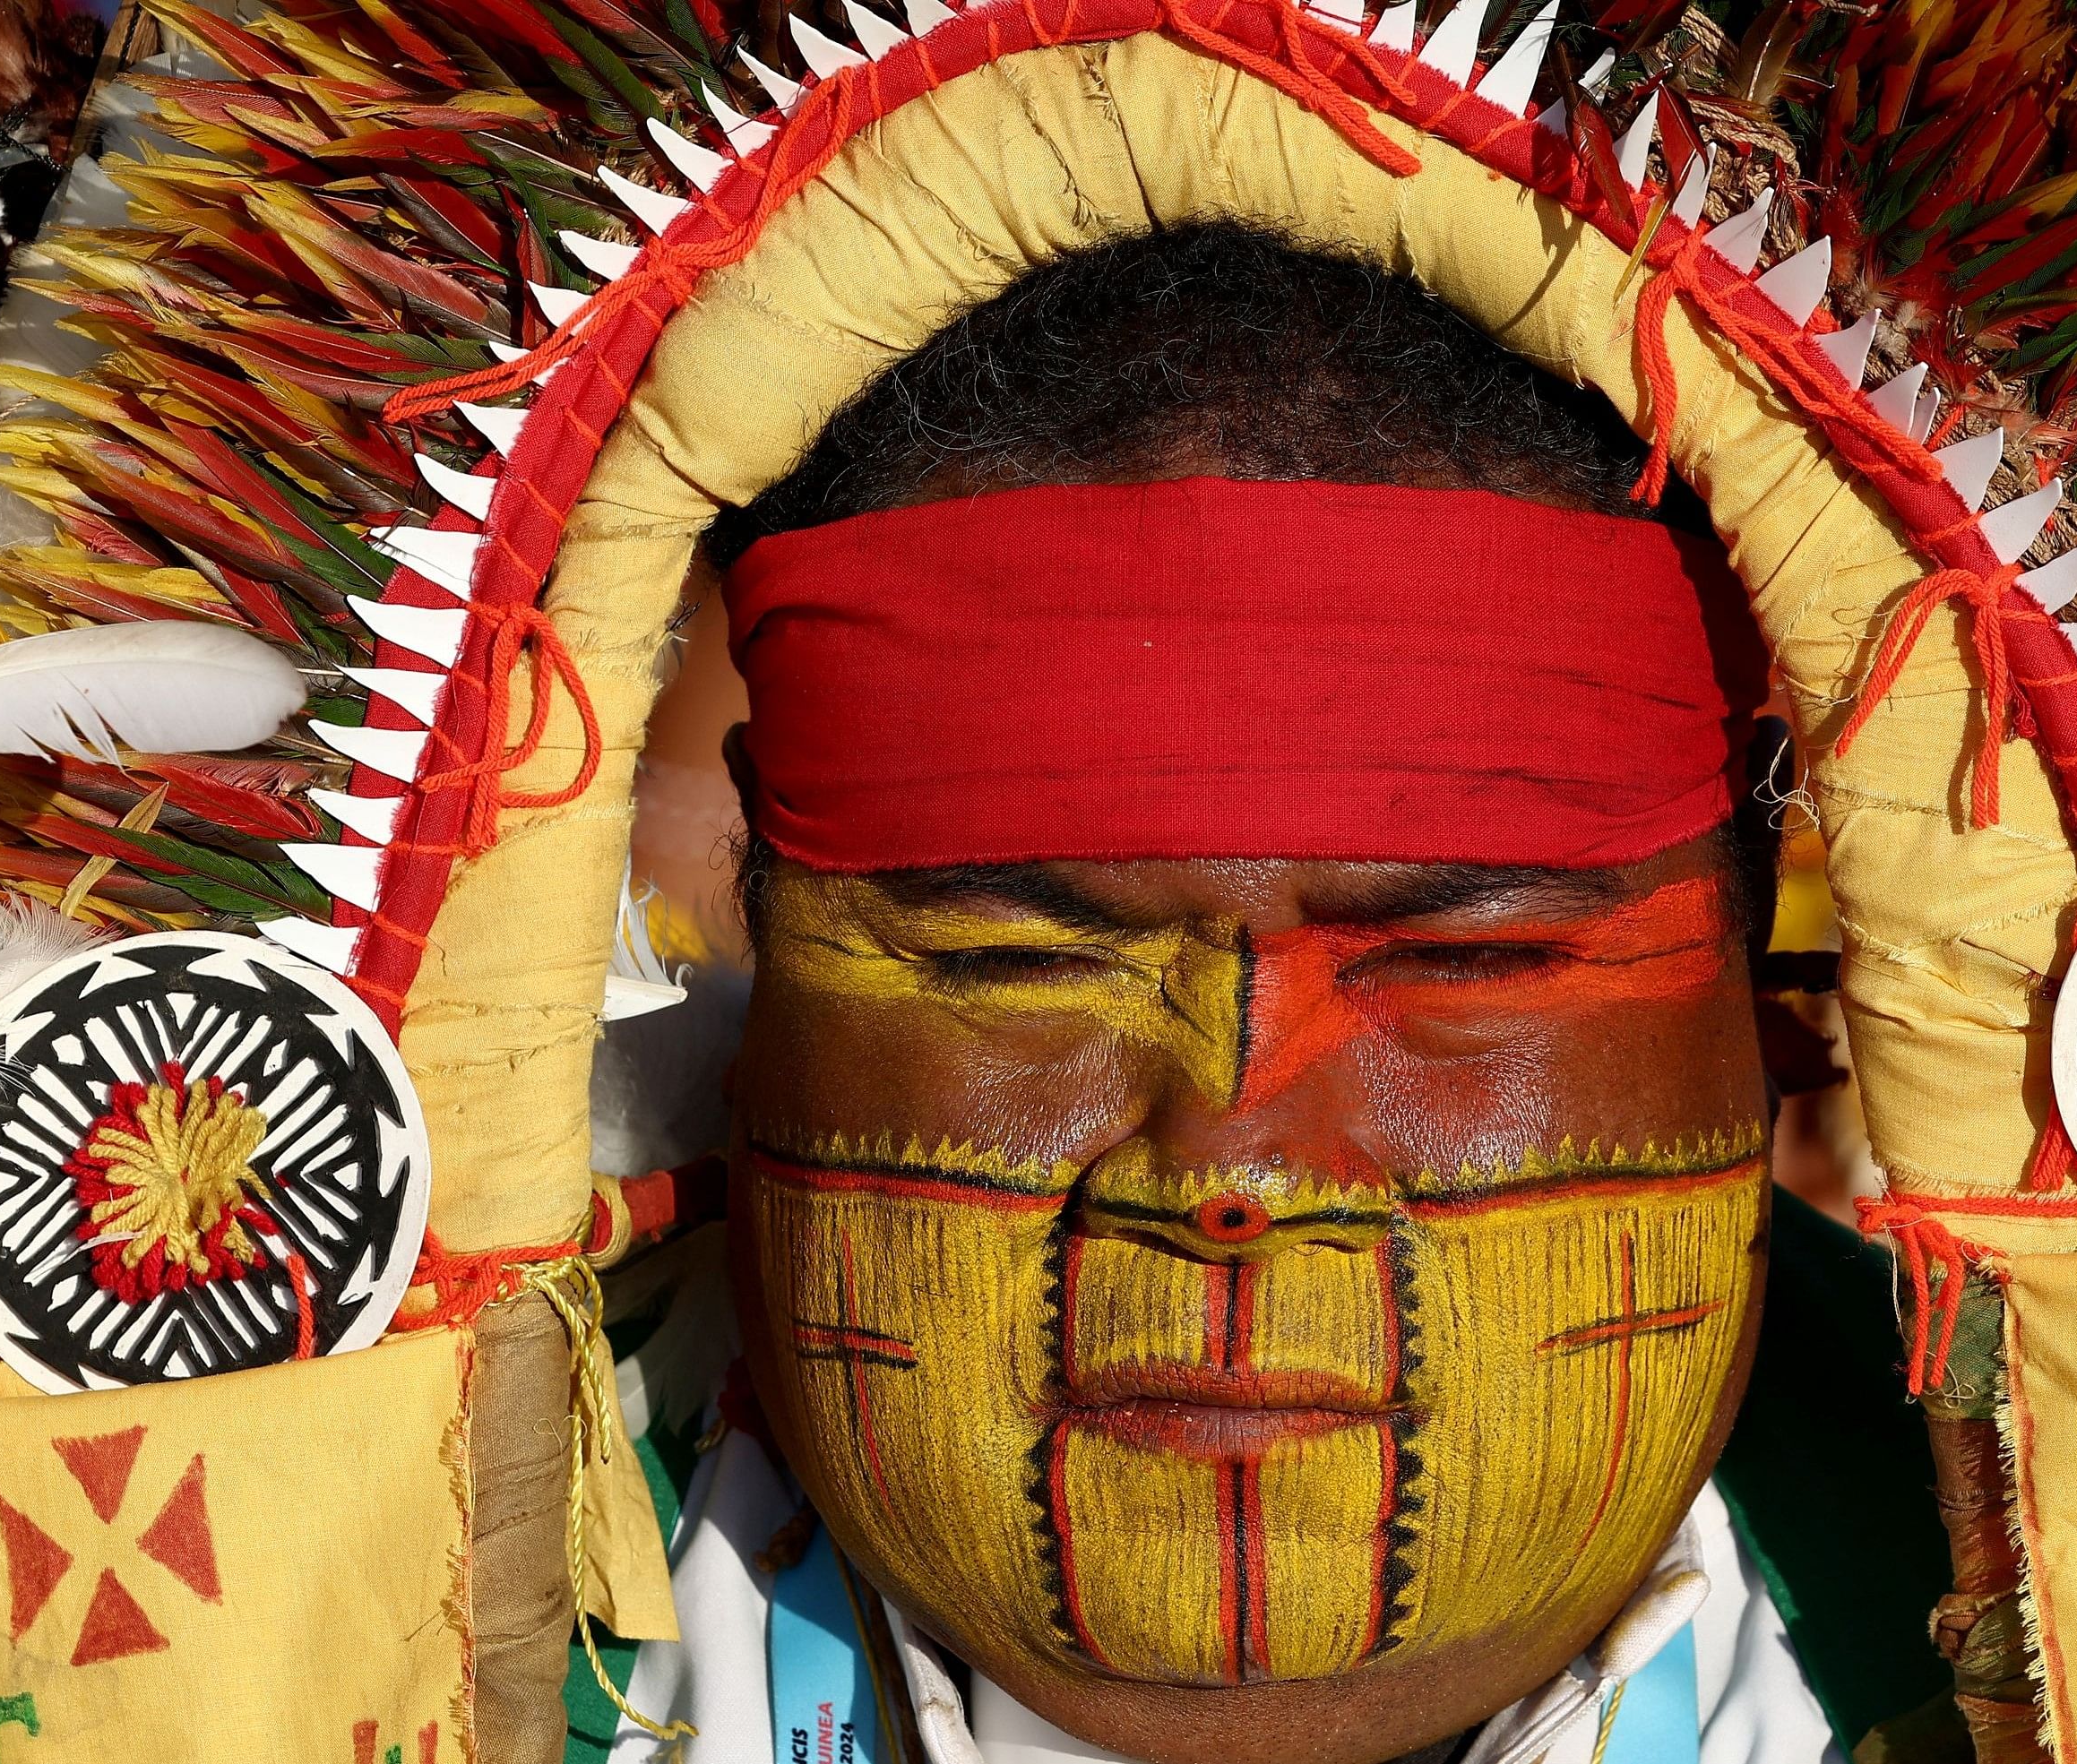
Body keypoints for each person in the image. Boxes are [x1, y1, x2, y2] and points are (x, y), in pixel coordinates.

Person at [593, 220, 1958, 1764]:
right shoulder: (366, 1586)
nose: (1233, 1163)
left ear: (1762, 975)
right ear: (761, 936)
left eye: (1467, 961)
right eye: (1013, 965)